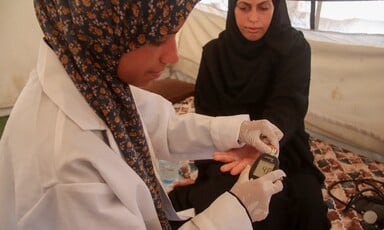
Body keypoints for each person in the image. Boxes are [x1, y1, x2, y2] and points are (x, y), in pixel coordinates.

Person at [0, 0, 288, 229]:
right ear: (103, 29)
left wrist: (237, 131)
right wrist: (238, 210)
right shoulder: (64, 174)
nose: (173, 55)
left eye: (176, 33)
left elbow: (157, 125)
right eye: (160, 36)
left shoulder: (89, 75)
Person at [168, 0, 331, 229]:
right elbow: (205, 117)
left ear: (277, 9)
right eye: (244, 8)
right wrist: (209, 168)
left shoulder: (294, 48)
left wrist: (263, 144)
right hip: (229, 149)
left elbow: (288, 105)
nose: (253, 18)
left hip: (281, 143)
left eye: (263, 8)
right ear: (232, 8)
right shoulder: (214, 53)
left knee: (306, 204)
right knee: (229, 203)